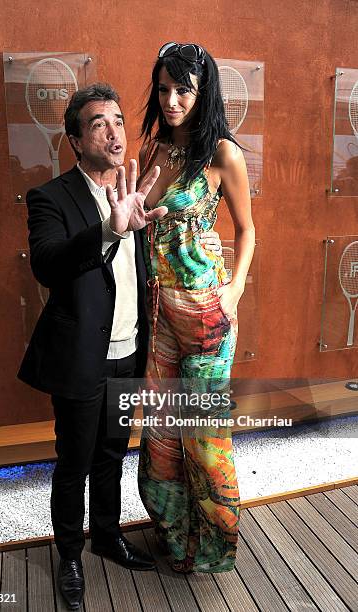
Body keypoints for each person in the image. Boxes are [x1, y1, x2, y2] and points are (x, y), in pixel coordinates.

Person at [17, 83, 223, 610]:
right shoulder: (51, 197)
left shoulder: (140, 193)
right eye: (98, 124)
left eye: (118, 121)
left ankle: (107, 536)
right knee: (75, 461)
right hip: (82, 356)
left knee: (111, 454)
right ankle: (69, 554)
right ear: (75, 141)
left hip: (132, 351)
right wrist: (110, 230)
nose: (113, 132)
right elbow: (47, 262)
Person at [137, 43, 255, 574]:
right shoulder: (157, 151)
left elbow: (248, 230)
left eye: (183, 89)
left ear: (203, 92)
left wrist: (234, 291)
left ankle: (211, 548)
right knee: (161, 437)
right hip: (161, 312)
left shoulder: (223, 153)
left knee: (204, 441)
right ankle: (175, 534)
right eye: (163, 89)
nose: (171, 99)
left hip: (207, 313)